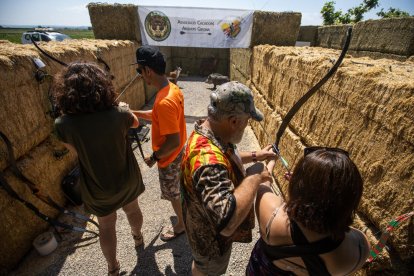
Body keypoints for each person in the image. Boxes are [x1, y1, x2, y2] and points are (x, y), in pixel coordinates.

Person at [53, 62, 145, 276]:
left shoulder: (62, 125)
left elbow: (75, 151)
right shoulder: (120, 114)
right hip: (127, 178)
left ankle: (113, 267)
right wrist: (124, 108)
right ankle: (138, 237)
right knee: (133, 209)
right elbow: (136, 123)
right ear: (102, 87)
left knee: (106, 226)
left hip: (98, 187)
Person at [180, 81, 277, 276]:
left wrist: (256, 155)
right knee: (206, 270)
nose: (247, 124)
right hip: (210, 245)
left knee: (201, 267)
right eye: (247, 120)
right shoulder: (207, 160)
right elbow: (226, 223)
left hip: (201, 232)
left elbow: (225, 156)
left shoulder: (209, 131)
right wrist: (255, 176)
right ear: (233, 121)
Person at [247, 147, 370, 275]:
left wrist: (269, 163)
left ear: (296, 185)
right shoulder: (360, 248)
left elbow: (263, 185)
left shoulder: (273, 219)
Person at [131, 46, 187, 241]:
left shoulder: (164, 101)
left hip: (169, 157)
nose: (139, 75)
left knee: (173, 194)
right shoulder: (171, 88)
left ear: (148, 71)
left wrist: (154, 157)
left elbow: (172, 141)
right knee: (179, 189)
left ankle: (181, 225)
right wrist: (134, 112)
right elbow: (157, 115)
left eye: (139, 70)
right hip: (178, 153)